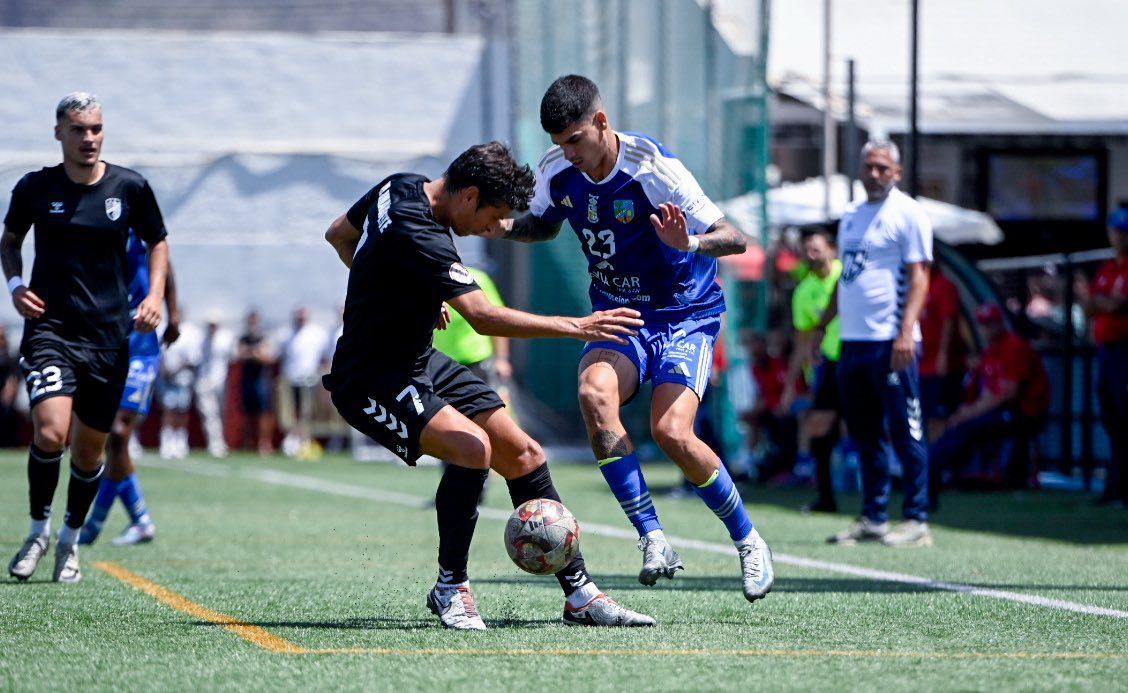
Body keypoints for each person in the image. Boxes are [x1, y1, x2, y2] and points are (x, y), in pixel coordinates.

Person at [322, 141, 654, 629]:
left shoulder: (399, 185)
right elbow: (482, 318)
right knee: (472, 448)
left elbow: (338, 236)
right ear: (470, 195)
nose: (487, 230)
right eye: (490, 218)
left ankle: (581, 595)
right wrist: (578, 326)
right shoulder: (425, 234)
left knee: (525, 453)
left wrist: (400, 288)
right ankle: (450, 588)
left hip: (418, 360)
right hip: (370, 376)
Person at [486, 75, 773, 602]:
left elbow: (734, 239)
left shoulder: (653, 167)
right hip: (620, 315)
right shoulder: (558, 170)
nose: (567, 154)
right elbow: (546, 226)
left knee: (671, 432)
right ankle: (653, 537)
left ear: (601, 121)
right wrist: (506, 227)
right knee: (595, 394)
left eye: (574, 140)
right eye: (557, 144)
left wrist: (690, 241)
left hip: (686, 315)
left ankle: (748, 540)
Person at [4, 93, 169, 582]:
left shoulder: (130, 187)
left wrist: (156, 295)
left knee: (90, 452)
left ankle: (70, 543)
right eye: (78, 130)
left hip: (108, 337)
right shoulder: (35, 188)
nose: (89, 138)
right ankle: (37, 531)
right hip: (51, 329)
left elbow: (158, 240)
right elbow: (10, 241)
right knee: (52, 431)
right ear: (59, 133)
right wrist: (15, 286)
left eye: (95, 129)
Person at [817, 140, 933, 548]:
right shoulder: (850, 217)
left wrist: (906, 332)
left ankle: (917, 518)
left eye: (883, 167)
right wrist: (824, 323)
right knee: (865, 434)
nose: (875, 174)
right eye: (869, 166)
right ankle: (874, 517)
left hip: (891, 342)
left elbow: (919, 277)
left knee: (907, 430)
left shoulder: (910, 214)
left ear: (897, 172)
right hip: (853, 342)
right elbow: (846, 277)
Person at [79, 235, 181, 546]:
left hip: (141, 344)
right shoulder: (90, 226)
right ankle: (133, 521)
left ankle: (101, 523)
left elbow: (166, 266)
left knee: (119, 431)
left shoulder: (138, 227)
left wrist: (173, 313)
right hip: (104, 344)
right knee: (110, 440)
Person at [931, 302, 1049, 490]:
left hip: (1025, 411)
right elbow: (987, 392)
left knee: (969, 426)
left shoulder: (1014, 346)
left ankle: (935, 472)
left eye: (991, 323)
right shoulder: (990, 352)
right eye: (984, 324)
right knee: (955, 421)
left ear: (1000, 323)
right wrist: (966, 411)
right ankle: (942, 473)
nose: (987, 329)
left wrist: (970, 413)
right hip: (1002, 409)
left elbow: (1008, 394)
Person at [783, 224, 843, 513]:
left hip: (859, 358)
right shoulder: (803, 292)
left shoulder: (847, 276)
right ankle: (826, 498)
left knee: (868, 428)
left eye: (816, 248)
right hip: (827, 367)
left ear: (832, 249)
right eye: (807, 250)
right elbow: (801, 342)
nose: (811, 254)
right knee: (819, 431)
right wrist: (792, 384)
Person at [1080, 205, 1128, 508]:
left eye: (1125, 232)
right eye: (1116, 231)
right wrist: (1102, 302)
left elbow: (1114, 306)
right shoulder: (1108, 268)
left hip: (1125, 353)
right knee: (1111, 420)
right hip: (1106, 352)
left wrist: (1102, 303)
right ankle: (1115, 486)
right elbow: (1089, 306)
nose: (1119, 238)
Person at [919, 260, 968, 443]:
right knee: (922, 417)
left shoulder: (944, 286)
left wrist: (943, 354)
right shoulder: (918, 285)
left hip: (941, 367)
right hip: (922, 366)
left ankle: (938, 465)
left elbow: (950, 319)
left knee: (939, 419)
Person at [277, 307, 329, 458]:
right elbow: (281, 356)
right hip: (291, 379)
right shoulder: (286, 334)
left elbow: (324, 358)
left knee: (307, 412)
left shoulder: (317, 334)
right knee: (292, 412)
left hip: (310, 379)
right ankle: (294, 439)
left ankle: (305, 439)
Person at [157, 316, 201, 459]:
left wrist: (176, 369)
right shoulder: (162, 330)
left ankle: (180, 440)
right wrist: (164, 369)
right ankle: (167, 440)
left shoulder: (189, 334)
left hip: (182, 378)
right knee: (168, 409)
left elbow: (192, 358)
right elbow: (160, 352)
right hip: (167, 377)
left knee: (182, 410)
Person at [195, 312, 234, 458]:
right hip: (204, 381)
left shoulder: (225, 339)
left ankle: (220, 441)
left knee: (221, 412)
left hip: (221, 381)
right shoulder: (201, 340)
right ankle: (214, 443)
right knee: (209, 413)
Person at [236, 310, 274, 454]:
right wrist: (255, 353)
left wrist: (251, 353)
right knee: (247, 412)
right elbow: (240, 354)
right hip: (247, 379)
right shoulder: (243, 338)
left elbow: (266, 356)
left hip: (261, 380)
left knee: (264, 413)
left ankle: (264, 443)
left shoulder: (263, 337)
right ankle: (248, 442)